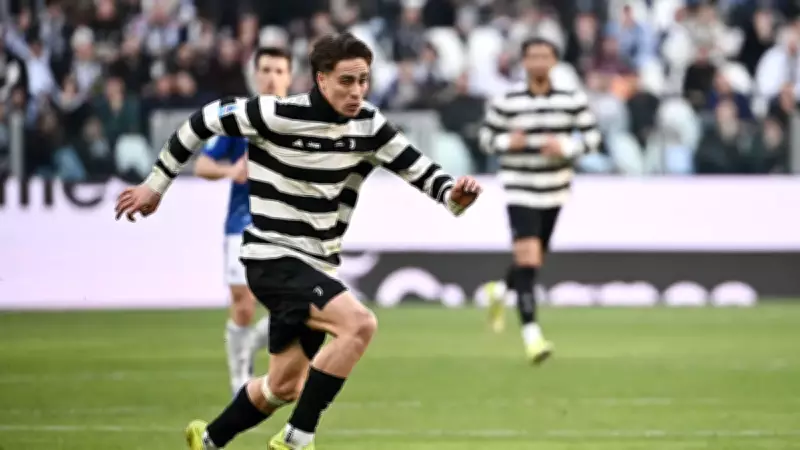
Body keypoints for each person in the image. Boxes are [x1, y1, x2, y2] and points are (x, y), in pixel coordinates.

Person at [114, 33, 482, 450]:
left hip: (317, 265)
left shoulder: (368, 124)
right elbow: (203, 120)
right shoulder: (274, 114)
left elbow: (418, 168)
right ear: (321, 79)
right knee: (359, 324)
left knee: (283, 386)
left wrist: (452, 194)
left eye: (363, 80)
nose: (357, 91)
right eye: (346, 81)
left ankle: (209, 439)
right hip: (271, 258)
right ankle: (296, 440)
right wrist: (156, 185)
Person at [478, 37, 601, 364]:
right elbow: (485, 139)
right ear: (524, 62)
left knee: (532, 259)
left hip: (555, 189)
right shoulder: (507, 99)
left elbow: (593, 138)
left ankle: (499, 291)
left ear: (554, 61)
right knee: (530, 260)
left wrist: (567, 147)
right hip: (520, 188)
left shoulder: (571, 99)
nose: (538, 62)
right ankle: (532, 336)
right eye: (532, 56)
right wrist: (508, 142)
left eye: (545, 56)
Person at [193, 47, 292, 395]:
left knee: (296, 308)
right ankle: (240, 384)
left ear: (289, 77)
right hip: (243, 224)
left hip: (288, 226)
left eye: (279, 71)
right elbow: (201, 165)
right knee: (244, 304)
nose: (271, 78)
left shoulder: (300, 121)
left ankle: (247, 344)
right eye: (265, 70)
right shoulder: (239, 120)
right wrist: (230, 170)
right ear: (255, 75)